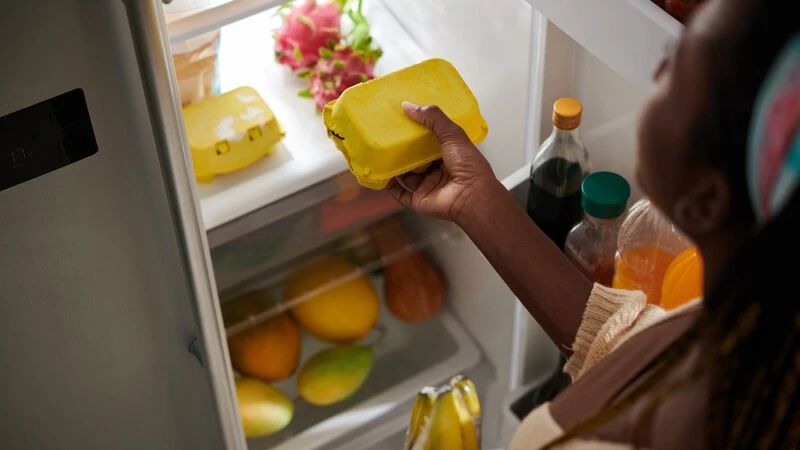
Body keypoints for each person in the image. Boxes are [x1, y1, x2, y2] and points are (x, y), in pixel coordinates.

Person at [387, 0, 800, 447]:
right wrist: (473, 198)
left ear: (706, 201)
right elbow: (619, 340)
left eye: (675, 69)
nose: (655, 75)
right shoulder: (756, 340)